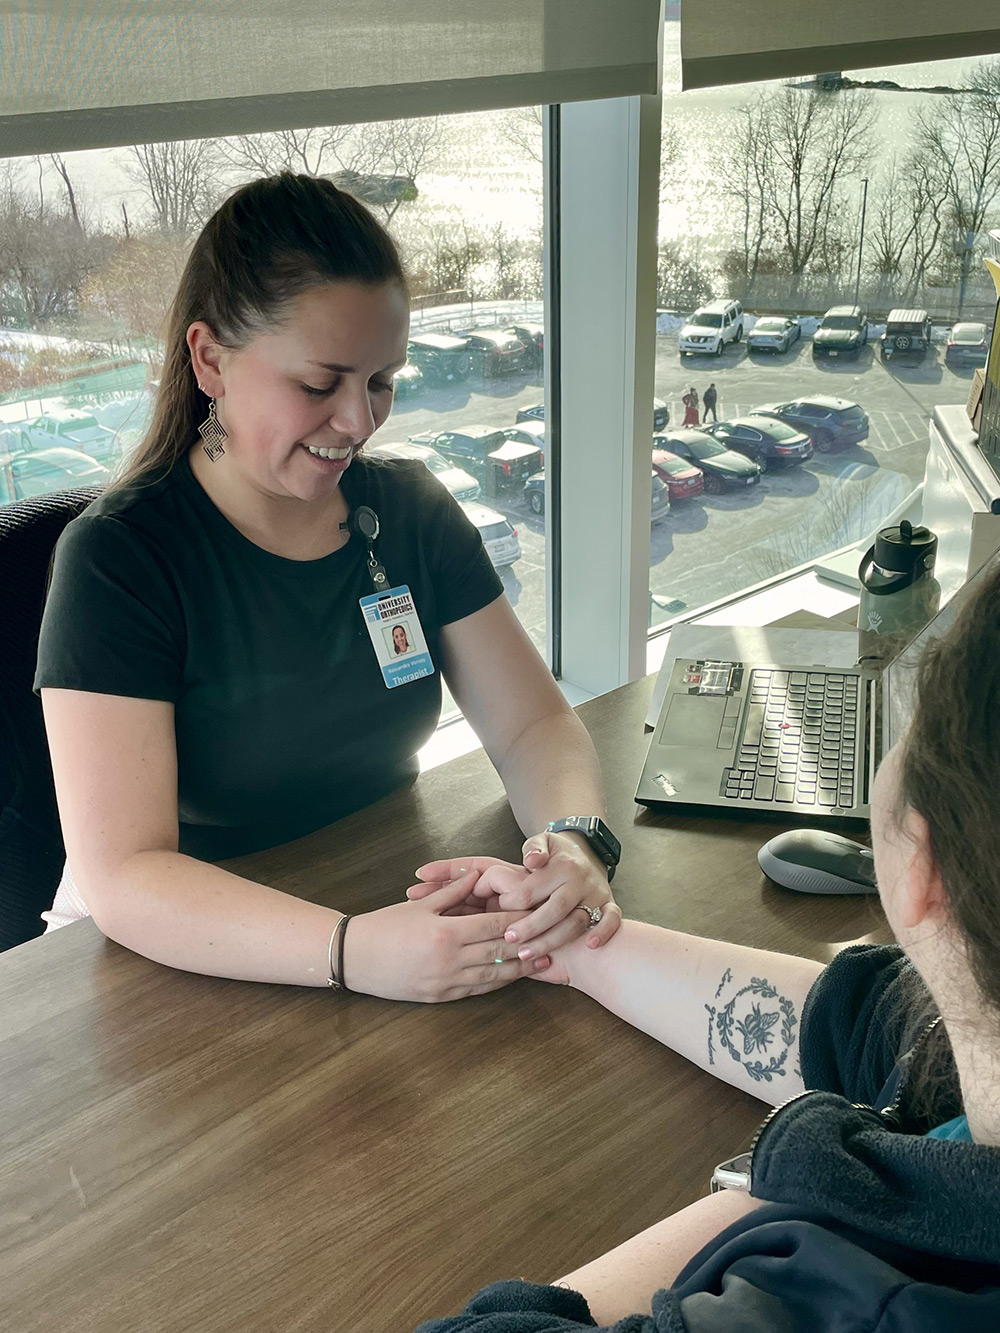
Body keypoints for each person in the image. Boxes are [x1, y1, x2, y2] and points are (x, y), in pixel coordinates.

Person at [35, 173, 621, 1003]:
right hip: (182, 961)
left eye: (382, 380)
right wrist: (353, 950)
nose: (359, 421)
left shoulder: (410, 510)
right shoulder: (118, 560)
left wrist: (570, 842)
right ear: (210, 360)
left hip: (380, 902)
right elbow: (126, 874)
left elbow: (534, 724)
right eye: (320, 385)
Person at [414, 564, 1000, 1329]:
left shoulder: (861, 1300)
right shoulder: (970, 1050)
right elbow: (865, 1024)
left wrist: (802, 1185)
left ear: (925, 867)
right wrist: (572, 941)